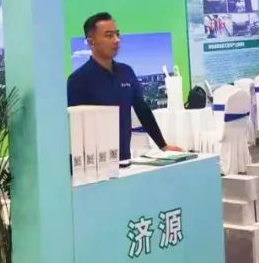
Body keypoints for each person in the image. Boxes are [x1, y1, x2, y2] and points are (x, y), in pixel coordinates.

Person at [67, 12, 183, 162]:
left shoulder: (126, 72)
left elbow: (143, 110)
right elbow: (74, 128)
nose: (116, 40)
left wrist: (163, 146)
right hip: (93, 164)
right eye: (109, 35)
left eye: (117, 34)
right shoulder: (78, 80)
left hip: (124, 160)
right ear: (91, 42)